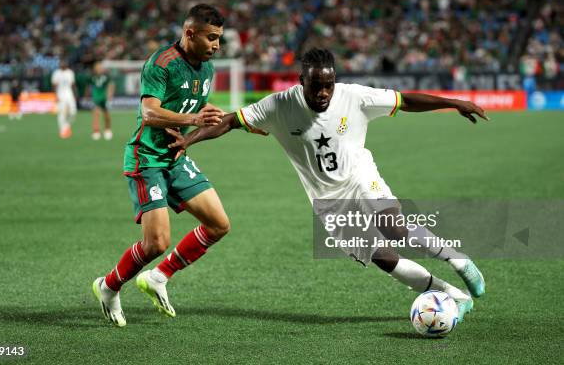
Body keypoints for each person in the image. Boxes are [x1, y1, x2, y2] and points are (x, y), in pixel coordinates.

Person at [166, 48, 488, 321]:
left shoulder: (354, 96)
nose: (323, 93)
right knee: (384, 258)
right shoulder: (279, 106)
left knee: (394, 227)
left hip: (360, 178)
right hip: (328, 201)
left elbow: (405, 100)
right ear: (301, 81)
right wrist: (189, 140)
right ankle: (452, 295)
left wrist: (454, 102)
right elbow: (229, 122)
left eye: (328, 86)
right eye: (316, 86)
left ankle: (457, 259)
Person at [92, 4, 230, 327]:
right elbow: (150, 113)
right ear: (189, 33)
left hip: (176, 158)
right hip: (147, 157)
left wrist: (219, 122)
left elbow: (194, 105)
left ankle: (158, 277)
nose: (216, 46)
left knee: (219, 224)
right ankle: (108, 286)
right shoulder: (161, 63)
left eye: (219, 39)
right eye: (211, 38)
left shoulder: (207, 70)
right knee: (157, 242)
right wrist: (195, 118)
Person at [51, 60, 77, 138]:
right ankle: (63, 130)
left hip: (69, 94)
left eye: (64, 62)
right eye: (61, 63)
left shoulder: (70, 73)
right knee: (61, 112)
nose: (62, 64)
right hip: (60, 94)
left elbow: (72, 84)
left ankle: (66, 126)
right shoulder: (56, 73)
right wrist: (56, 95)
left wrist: (75, 95)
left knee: (73, 112)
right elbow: (54, 85)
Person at [89, 61, 115, 140]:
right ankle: (96, 131)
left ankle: (107, 130)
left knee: (106, 115)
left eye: (100, 68)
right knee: (96, 114)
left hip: (104, 97)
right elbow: (90, 86)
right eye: (97, 68)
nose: (99, 69)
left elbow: (111, 85)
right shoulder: (92, 77)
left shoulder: (106, 77)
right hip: (96, 98)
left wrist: (109, 96)